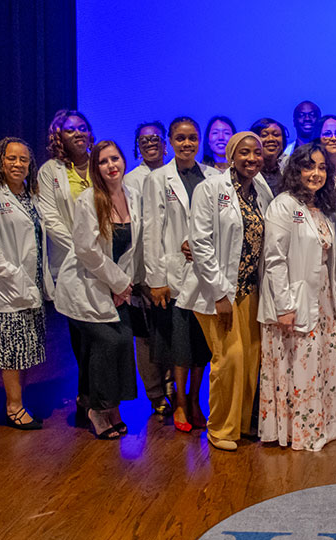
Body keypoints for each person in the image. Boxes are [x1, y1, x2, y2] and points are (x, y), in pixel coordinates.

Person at [257, 143, 336, 451]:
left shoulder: (323, 209)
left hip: (323, 300)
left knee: (322, 364)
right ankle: (298, 431)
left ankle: (326, 425)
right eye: (308, 166)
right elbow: (274, 260)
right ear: (295, 170)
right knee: (299, 364)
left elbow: (331, 262)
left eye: (322, 167)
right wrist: (285, 307)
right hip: (294, 301)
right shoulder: (283, 205)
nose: (316, 173)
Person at [186, 132, 272, 451]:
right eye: (245, 152)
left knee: (251, 359)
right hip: (217, 293)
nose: (252, 158)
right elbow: (200, 243)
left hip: (249, 288)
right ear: (231, 155)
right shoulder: (210, 188)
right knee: (230, 358)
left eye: (257, 153)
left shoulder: (260, 190)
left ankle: (243, 424)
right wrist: (220, 293)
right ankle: (220, 429)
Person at [54, 140, 142, 440]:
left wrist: (123, 286)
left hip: (117, 288)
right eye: (103, 161)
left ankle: (111, 407)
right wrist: (118, 283)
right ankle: (95, 409)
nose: (111, 166)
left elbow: (132, 248)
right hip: (84, 288)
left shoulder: (132, 196)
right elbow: (86, 250)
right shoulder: (89, 199)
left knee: (123, 340)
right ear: (96, 168)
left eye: (114, 158)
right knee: (107, 344)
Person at [0, 137, 54, 430]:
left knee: (26, 349)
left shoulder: (30, 196)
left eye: (23, 159)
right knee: (11, 352)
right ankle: (13, 407)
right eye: (12, 158)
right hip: (4, 289)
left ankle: (19, 401)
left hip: (29, 285)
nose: (18, 164)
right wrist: (13, 275)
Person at [142, 116, 214, 433]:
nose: (187, 143)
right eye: (180, 138)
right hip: (175, 276)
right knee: (181, 347)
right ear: (171, 141)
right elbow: (151, 232)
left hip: (206, 275)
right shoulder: (158, 179)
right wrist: (156, 280)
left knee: (201, 347)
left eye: (192, 138)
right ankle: (181, 406)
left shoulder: (212, 177)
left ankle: (196, 400)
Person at [124, 120, 174, 416]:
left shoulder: (174, 176)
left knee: (170, 333)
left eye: (156, 137)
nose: (151, 142)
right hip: (142, 273)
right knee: (145, 337)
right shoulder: (130, 181)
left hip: (174, 270)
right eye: (144, 139)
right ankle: (155, 393)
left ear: (165, 143)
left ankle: (172, 386)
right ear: (137, 147)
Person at [37, 109, 95, 279]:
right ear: (59, 137)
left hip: (104, 259)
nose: (78, 133)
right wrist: (83, 252)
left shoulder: (101, 164)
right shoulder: (49, 170)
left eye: (83, 128)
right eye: (70, 130)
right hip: (68, 261)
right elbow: (50, 219)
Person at [250, 117, 289, 196]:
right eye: (264, 135)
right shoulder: (247, 171)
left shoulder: (289, 169)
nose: (271, 139)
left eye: (276, 135)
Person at [280, 101, 321, 167]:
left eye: (312, 115)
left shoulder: (329, 151)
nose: (307, 118)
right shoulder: (284, 153)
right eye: (301, 115)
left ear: (319, 121)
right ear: (294, 122)